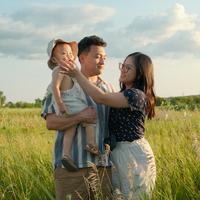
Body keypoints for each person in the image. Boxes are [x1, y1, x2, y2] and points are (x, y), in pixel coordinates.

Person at [59, 52, 157, 199]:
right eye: (122, 66)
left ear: (139, 74)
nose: (122, 70)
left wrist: (77, 74)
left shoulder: (136, 95)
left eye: (128, 67)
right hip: (117, 152)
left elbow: (101, 98)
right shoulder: (123, 93)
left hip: (133, 154)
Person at [41, 35, 116, 200]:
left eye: (104, 57)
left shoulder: (108, 88)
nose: (102, 61)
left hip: (104, 168)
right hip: (71, 170)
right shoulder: (64, 82)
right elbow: (51, 122)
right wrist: (80, 116)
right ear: (81, 58)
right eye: (97, 57)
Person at [46, 38, 101, 172]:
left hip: (68, 106)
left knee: (70, 129)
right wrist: (60, 103)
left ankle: (66, 155)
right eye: (63, 54)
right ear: (54, 59)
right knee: (91, 119)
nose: (69, 56)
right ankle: (91, 143)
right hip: (69, 104)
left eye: (70, 53)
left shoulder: (69, 73)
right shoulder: (60, 70)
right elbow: (55, 87)